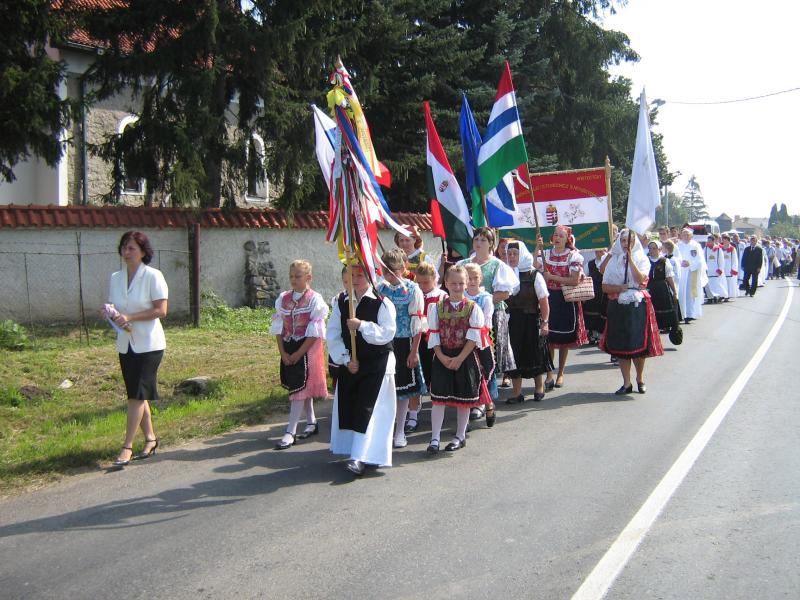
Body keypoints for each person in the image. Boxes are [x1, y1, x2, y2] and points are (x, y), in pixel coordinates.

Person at [327, 263, 397, 476]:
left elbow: (387, 332)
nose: (355, 280)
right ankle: (352, 449)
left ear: (369, 277)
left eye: (359, 275)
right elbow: (333, 334)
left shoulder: (382, 302)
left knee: (369, 409)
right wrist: (346, 359)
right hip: (353, 363)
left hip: (377, 364)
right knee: (351, 405)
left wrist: (362, 325)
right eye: (351, 275)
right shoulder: (341, 302)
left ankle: (361, 455)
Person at [106, 231, 168, 467]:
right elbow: (116, 306)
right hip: (126, 343)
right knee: (137, 393)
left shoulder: (153, 276)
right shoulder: (116, 277)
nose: (126, 252)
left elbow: (161, 310)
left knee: (136, 396)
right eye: (124, 247)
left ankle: (127, 446)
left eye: (131, 248)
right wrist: (110, 313)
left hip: (149, 345)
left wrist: (131, 317)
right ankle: (150, 439)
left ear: (143, 251)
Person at [458, 227, 518, 423]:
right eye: (476, 239)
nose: (478, 243)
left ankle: (485, 401)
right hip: (464, 318)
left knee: (486, 359)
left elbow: (505, 293)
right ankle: (472, 400)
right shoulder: (463, 264)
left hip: (489, 317)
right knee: (468, 358)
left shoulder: (497, 265)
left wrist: (480, 302)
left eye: (483, 240)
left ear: (491, 244)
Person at [425, 266, 486, 453]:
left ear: (466, 284)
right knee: (438, 398)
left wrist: (459, 358)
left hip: (464, 356)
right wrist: (441, 356)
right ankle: (435, 438)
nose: (457, 287)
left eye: (461, 283)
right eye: (453, 283)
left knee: (463, 397)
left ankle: (460, 435)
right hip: (443, 355)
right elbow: (434, 334)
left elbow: (473, 337)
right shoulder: (436, 307)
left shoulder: (473, 308)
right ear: (446, 283)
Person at [270, 260, 329, 450]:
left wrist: (298, 353)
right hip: (289, 345)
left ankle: (290, 431)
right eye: (291, 276)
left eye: (298, 276)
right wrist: (283, 352)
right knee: (300, 386)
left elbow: (315, 333)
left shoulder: (314, 300)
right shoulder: (283, 298)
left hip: (307, 348)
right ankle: (311, 421)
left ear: (308, 277)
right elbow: (279, 327)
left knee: (299, 388)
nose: (293, 280)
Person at [600, 229, 664, 394]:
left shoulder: (642, 258)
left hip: (637, 305)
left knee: (638, 345)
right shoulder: (614, 261)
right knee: (621, 346)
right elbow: (604, 286)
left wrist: (630, 260)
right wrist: (619, 288)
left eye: (629, 241)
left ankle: (640, 378)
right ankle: (626, 382)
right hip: (618, 305)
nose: (626, 244)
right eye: (623, 240)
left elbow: (641, 279)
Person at [376, 249, 427, 449]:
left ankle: (400, 431)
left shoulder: (412, 290)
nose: (390, 276)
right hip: (384, 343)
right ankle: (385, 431)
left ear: (404, 268)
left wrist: (414, 351)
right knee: (385, 389)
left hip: (404, 343)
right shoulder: (379, 289)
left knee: (403, 389)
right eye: (386, 272)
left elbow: (417, 323)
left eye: (394, 271)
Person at [537, 224, 588, 389]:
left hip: (565, 299)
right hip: (549, 298)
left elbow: (574, 280)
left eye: (561, 235)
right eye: (555, 235)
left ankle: (560, 373)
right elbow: (532, 265)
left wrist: (552, 277)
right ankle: (549, 374)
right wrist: (537, 248)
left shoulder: (573, 256)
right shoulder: (546, 254)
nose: (557, 238)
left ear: (567, 239)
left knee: (564, 339)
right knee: (549, 339)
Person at [504, 241, 552, 403]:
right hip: (512, 321)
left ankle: (539, 387)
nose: (511, 257)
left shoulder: (534, 275)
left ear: (522, 254)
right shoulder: (505, 273)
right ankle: (517, 393)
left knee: (534, 353)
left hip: (531, 320)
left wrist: (545, 322)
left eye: (515, 254)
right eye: (509, 253)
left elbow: (543, 300)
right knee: (514, 355)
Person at [407, 261, 447, 433]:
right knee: (415, 377)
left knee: (436, 379)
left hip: (435, 343)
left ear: (434, 279)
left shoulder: (441, 296)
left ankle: (438, 416)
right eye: (419, 282)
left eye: (426, 282)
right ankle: (413, 415)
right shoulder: (414, 294)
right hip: (417, 342)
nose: (422, 286)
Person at [463, 263, 497, 427]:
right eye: (468, 278)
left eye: (475, 278)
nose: (472, 281)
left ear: (480, 278)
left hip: (481, 338)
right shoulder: (461, 296)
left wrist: (476, 337)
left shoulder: (485, 298)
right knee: (468, 372)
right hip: (464, 339)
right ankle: (469, 406)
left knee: (483, 372)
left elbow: (486, 321)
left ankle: (487, 404)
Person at [646, 241, 679, 332]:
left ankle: (664, 325)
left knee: (663, 306)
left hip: (661, 288)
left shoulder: (664, 261)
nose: (651, 251)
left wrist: (674, 292)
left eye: (654, 248)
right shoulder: (646, 260)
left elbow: (669, 277)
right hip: (650, 287)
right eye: (650, 248)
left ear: (659, 249)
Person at [676, 228, 706, 323]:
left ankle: (690, 314)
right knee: (681, 293)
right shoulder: (678, 245)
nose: (685, 236)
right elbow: (675, 258)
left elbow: (700, 260)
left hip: (691, 272)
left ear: (691, 236)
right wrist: (680, 263)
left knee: (690, 294)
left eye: (687, 234)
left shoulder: (695, 246)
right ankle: (681, 313)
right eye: (684, 234)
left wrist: (690, 263)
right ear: (681, 235)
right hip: (681, 272)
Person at [582, 248, 611, 344]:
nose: (600, 253)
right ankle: (592, 334)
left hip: (605, 294)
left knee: (603, 315)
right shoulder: (589, 264)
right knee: (591, 316)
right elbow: (584, 279)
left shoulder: (610, 263)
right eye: (598, 251)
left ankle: (601, 336)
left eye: (603, 251)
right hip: (593, 295)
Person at [704, 234, 727, 303]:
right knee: (708, 286)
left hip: (715, 270)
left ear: (713, 241)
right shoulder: (705, 249)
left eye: (710, 241)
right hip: (708, 271)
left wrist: (720, 269)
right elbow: (703, 259)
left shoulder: (718, 249)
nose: (709, 242)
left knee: (717, 285)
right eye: (708, 241)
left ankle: (719, 296)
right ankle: (710, 298)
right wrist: (704, 269)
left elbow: (721, 260)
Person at [719, 234, 739, 301]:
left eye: (726, 241)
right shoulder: (720, 248)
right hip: (722, 268)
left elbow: (735, 260)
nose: (724, 242)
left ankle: (727, 296)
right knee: (722, 282)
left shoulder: (732, 249)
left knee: (729, 283)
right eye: (723, 241)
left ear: (729, 241)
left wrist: (734, 269)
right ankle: (722, 295)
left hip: (729, 269)